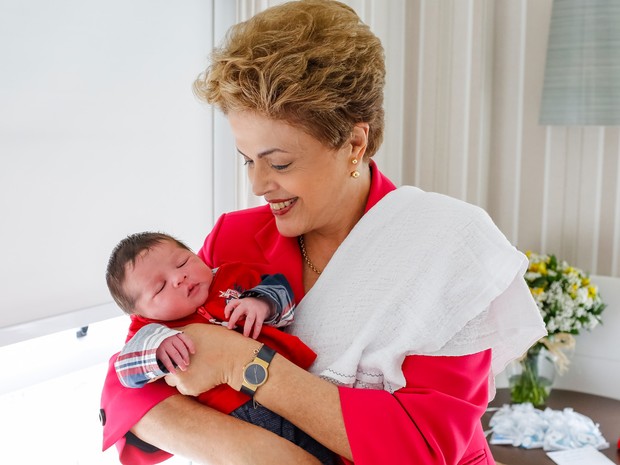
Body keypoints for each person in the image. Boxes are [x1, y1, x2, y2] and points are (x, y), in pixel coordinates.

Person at [99, 1, 547, 464]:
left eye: (280, 163)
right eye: (247, 160)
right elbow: (127, 394)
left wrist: (242, 362)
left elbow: (424, 450)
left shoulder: (449, 246)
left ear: (354, 143)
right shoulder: (230, 240)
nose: (257, 185)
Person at [105, 231, 335, 465]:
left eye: (182, 261)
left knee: (326, 447)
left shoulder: (232, 276)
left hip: (290, 383)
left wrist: (262, 303)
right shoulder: (149, 330)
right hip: (234, 415)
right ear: (140, 313)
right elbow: (125, 370)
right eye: (160, 287)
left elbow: (283, 293)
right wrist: (157, 350)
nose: (179, 277)